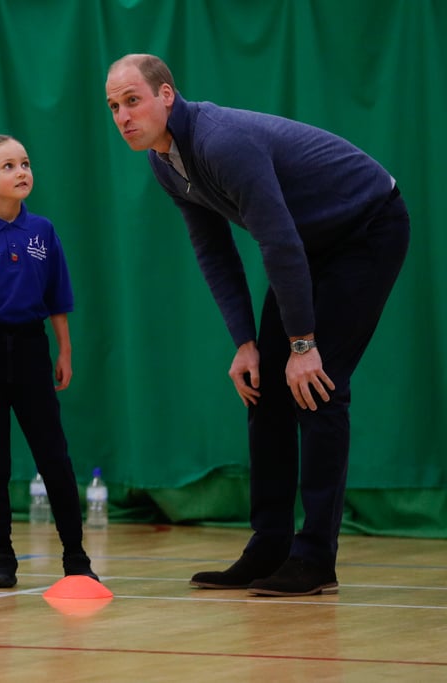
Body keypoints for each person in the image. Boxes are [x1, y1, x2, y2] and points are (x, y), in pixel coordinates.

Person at [104, 54, 410, 597]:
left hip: (367, 227)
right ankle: (270, 544)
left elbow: (277, 242)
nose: (123, 115)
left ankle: (315, 557)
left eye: (133, 100)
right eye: (113, 107)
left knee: (318, 385)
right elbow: (213, 249)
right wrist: (246, 342)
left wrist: (303, 344)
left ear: (166, 95)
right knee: (265, 384)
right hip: (310, 242)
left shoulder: (222, 142)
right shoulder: (164, 161)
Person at [0, 132, 99, 588]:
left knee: (54, 456)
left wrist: (63, 350)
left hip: (31, 350)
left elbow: (57, 297)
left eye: (25, 163)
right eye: (9, 166)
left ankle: (75, 556)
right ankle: (1, 555)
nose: (22, 171)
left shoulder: (42, 231)